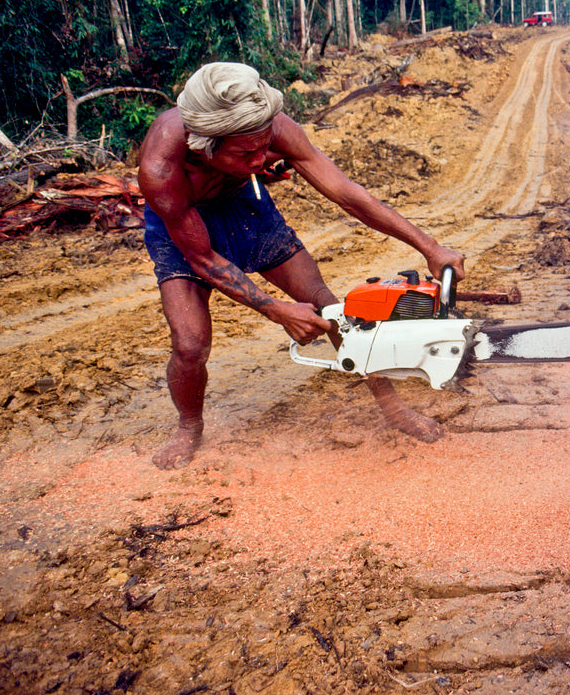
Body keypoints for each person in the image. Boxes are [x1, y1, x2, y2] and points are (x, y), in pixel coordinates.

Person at [138, 62, 465, 469]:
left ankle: (393, 409)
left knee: (333, 311)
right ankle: (189, 426)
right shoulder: (161, 168)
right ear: (205, 144)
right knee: (189, 344)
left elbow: (347, 194)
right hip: (182, 224)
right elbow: (202, 257)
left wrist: (429, 246)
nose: (263, 158)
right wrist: (273, 309)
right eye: (246, 153)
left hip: (246, 207)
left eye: (265, 146)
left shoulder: (272, 126)